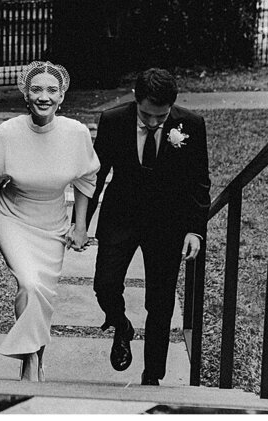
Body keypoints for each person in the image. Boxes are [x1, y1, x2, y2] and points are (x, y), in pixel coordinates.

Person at [0, 60, 99, 381]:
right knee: (29, 283)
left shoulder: (76, 134)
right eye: (36, 89)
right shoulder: (7, 133)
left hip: (53, 223)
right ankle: (30, 362)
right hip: (12, 216)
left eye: (51, 90)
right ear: (26, 96)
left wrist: (80, 225)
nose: (44, 96)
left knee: (42, 294)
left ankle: (35, 358)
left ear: (61, 98)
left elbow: (85, 180)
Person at [87, 67, 211, 386]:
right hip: (121, 216)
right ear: (135, 99)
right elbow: (96, 176)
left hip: (167, 223)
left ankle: (152, 377)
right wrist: (81, 226)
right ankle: (122, 325)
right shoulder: (113, 121)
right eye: (147, 115)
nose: (154, 122)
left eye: (161, 116)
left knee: (160, 302)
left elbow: (199, 182)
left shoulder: (192, 125)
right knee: (105, 284)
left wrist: (194, 229)